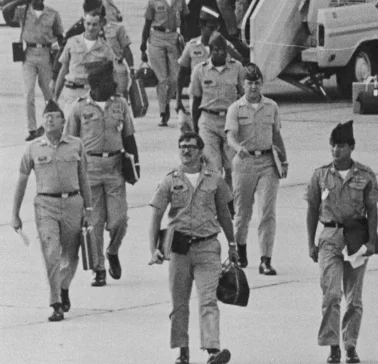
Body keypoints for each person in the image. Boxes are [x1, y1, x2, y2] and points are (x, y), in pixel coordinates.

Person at [148, 129, 237, 364]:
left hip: (208, 247)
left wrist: (233, 243)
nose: (186, 150)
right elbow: (156, 215)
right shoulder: (170, 181)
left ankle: (212, 350)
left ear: (200, 151)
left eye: (190, 146)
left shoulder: (215, 179)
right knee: (179, 303)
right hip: (179, 249)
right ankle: (182, 351)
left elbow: (225, 214)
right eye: (182, 146)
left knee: (208, 299)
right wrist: (154, 248)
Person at [305, 120, 378, 364]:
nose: (336, 150)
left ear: (351, 147)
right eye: (333, 146)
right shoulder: (320, 175)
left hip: (356, 238)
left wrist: (371, 241)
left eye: (340, 146)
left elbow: (372, 209)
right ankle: (333, 346)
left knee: (354, 298)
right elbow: (312, 209)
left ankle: (350, 344)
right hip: (329, 237)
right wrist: (310, 243)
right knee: (331, 295)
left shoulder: (365, 174)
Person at [10, 100, 91, 322]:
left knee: (71, 256)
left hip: (73, 203)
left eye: (54, 116)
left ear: (64, 122)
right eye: (46, 117)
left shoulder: (76, 145)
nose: (49, 119)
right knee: (51, 252)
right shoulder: (33, 148)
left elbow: (84, 177)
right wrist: (15, 213)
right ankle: (55, 302)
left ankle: (64, 287)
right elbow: (22, 181)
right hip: (46, 206)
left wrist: (89, 208)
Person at [66, 62, 137, 288]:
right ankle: (99, 269)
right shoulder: (78, 108)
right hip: (90, 170)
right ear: (96, 85)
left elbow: (129, 137)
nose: (114, 83)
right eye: (109, 80)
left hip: (115, 166)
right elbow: (69, 144)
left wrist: (135, 166)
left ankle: (112, 250)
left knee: (119, 219)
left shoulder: (121, 104)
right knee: (94, 222)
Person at [224, 63, 287, 276]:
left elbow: (276, 135)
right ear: (243, 85)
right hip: (244, 163)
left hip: (267, 162)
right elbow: (230, 135)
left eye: (256, 83)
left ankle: (266, 259)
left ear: (261, 84)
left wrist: (284, 160)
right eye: (249, 83)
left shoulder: (271, 107)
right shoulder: (235, 108)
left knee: (267, 212)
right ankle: (240, 249)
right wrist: (237, 148)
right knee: (242, 212)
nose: (253, 87)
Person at [190, 35, 246, 192]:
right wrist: (195, 129)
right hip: (208, 121)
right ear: (210, 50)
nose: (220, 53)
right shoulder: (200, 70)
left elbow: (244, 96)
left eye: (223, 50)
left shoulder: (237, 68)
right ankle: (215, 201)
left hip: (231, 122)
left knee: (232, 166)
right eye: (216, 50)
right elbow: (196, 100)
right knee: (213, 165)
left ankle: (229, 202)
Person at [14, 0, 65, 141]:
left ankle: (54, 125)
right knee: (28, 93)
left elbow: (60, 36)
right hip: (28, 54)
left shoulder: (52, 14)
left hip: (45, 54)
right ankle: (32, 129)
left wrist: (60, 57)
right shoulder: (22, 11)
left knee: (49, 94)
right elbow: (6, 10)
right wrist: (23, 0)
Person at [142, 0, 189, 127]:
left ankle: (167, 102)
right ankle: (163, 112)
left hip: (173, 38)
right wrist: (142, 46)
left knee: (175, 78)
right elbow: (147, 23)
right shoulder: (154, 0)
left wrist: (186, 41)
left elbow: (185, 20)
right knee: (162, 79)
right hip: (156, 38)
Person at [177, 6, 245, 114]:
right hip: (198, 95)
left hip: (221, 98)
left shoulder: (225, 44)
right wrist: (178, 100)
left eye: (216, 28)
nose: (215, 31)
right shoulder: (191, 46)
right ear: (201, 26)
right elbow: (181, 74)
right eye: (211, 28)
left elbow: (240, 61)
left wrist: (226, 47)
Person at [54, 5, 117, 113]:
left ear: (100, 25)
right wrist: (55, 97)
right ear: (83, 23)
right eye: (88, 24)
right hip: (72, 93)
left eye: (94, 24)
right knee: (69, 127)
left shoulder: (106, 49)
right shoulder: (72, 42)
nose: (91, 28)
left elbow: (110, 76)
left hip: (92, 94)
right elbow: (63, 70)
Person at [100, 0, 136, 97]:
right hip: (99, 69)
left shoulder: (117, 28)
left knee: (120, 100)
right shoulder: (89, 32)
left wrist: (132, 69)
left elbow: (126, 49)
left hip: (117, 67)